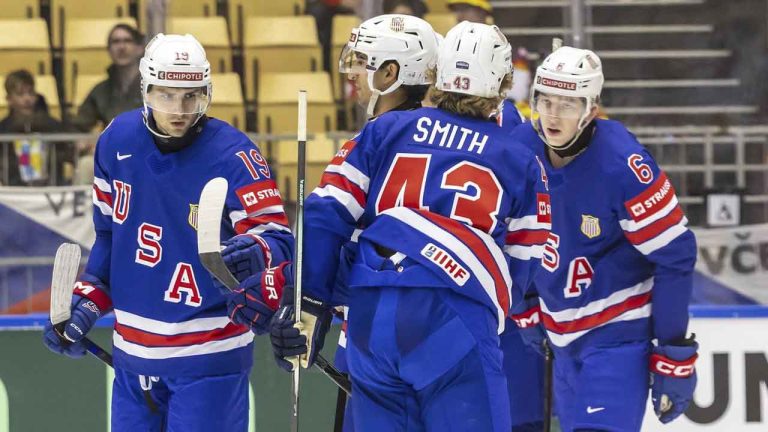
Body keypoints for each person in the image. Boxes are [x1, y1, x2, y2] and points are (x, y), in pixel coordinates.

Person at [265, 21, 549, 431]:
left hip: (371, 318)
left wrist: (307, 304)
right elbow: (524, 261)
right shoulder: (520, 157)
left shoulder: (384, 130)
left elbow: (324, 213)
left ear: (437, 73)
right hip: (456, 318)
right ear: (503, 85)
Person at [42, 34, 293, 432]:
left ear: (206, 93)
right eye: (166, 95)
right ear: (146, 89)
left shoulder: (236, 154)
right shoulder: (115, 141)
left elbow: (279, 241)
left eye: (191, 96)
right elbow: (110, 236)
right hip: (131, 357)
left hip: (210, 356)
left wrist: (257, 253)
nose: (178, 110)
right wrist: (88, 301)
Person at [508, 45, 698, 431]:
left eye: (567, 104)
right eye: (545, 101)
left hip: (618, 334)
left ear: (591, 109)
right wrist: (525, 302)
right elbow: (510, 235)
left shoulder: (624, 165)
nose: (553, 115)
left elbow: (676, 255)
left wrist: (674, 351)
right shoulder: (519, 151)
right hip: (559, 338)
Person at [0, 70, 73, 186]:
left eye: (31, 93)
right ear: (9, 99)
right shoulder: (3, 129)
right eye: (20, 94)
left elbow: (70, 151)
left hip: (52, 189)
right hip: (14, 191)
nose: (27, 99)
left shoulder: (52, 125)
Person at [71, 23, 144, 131]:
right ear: (109, 50)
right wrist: (84, 141)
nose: (122, 47)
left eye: (127, 41)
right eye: (116, 42)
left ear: (140, 49)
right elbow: (78, 126)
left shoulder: (153, 87)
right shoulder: (101, 90)